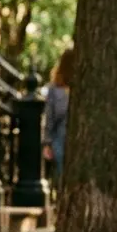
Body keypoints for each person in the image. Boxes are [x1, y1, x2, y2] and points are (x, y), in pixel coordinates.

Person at [42, 49, 74, 186]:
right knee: (64, 174)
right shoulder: (55, 88)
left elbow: (50, 117)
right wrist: (47, 142)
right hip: (61, 137)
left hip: (60, 136)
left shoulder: (55, 89)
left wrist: (47, 141)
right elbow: (50, 117)